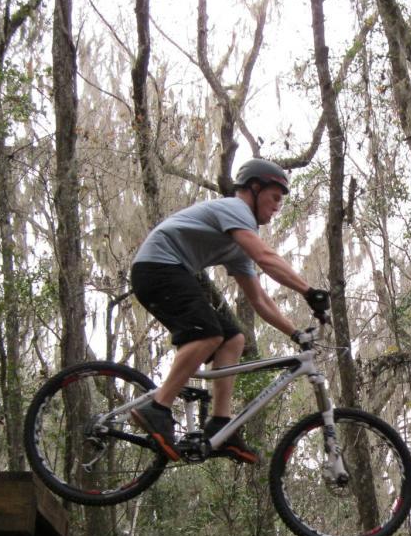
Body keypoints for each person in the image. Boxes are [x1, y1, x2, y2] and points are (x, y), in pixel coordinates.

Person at [128, 158, 329, 464]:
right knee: (208, 334)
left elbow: (259, 300)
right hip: (157, 268)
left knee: (233, 339)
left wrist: (296, 333)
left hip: (173, 270)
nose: (277, 206)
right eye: (275, 197)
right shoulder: (235, 210)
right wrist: (308, 291)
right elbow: (265, 257)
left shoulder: (238, 243)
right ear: (254, 187)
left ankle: (221, 423)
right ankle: (157, 406)